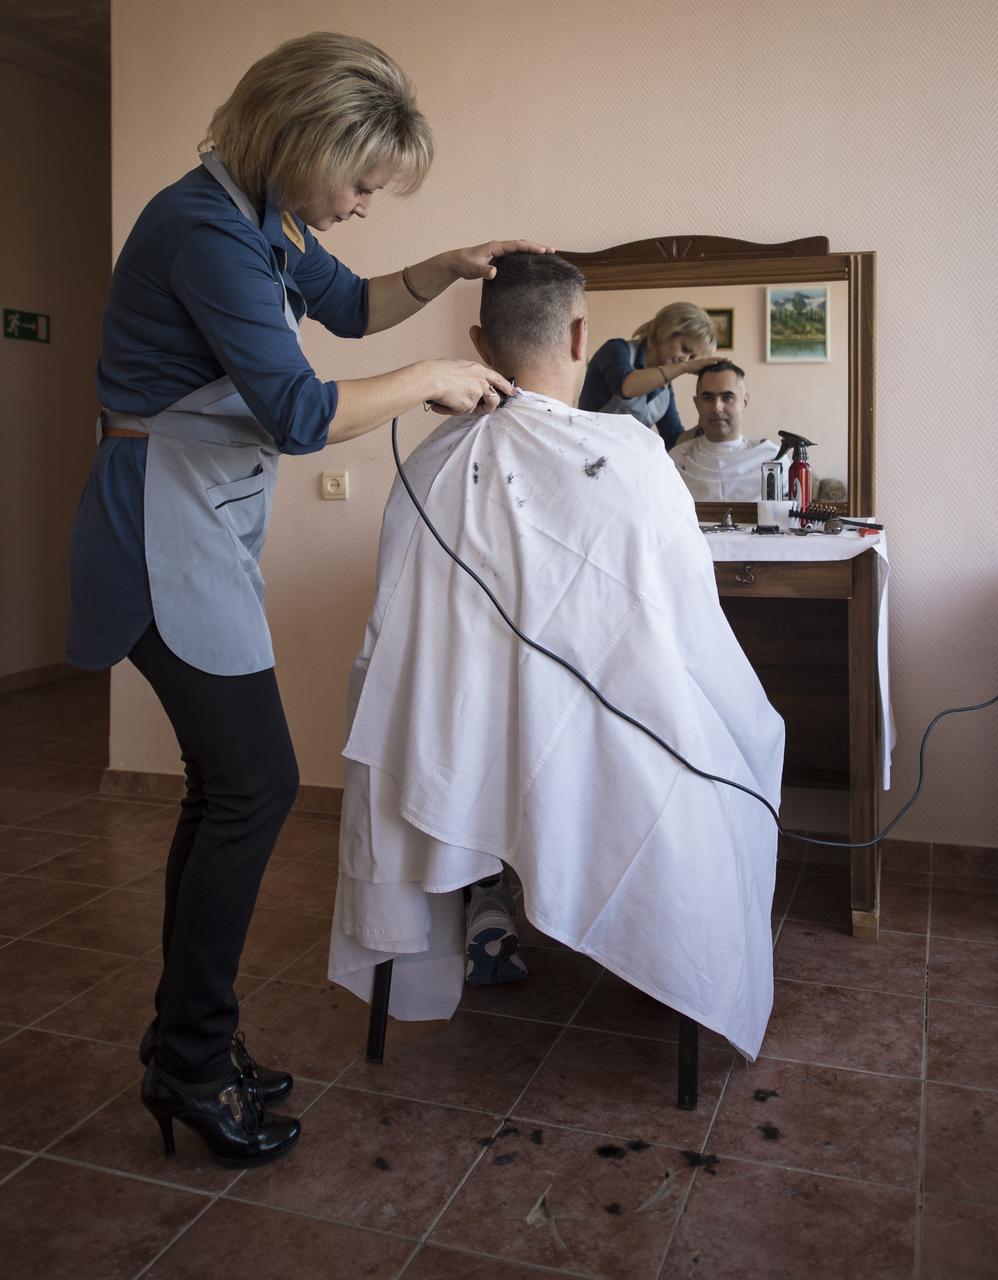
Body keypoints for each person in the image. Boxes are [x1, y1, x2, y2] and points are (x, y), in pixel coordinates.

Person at [65, 31, 552, 1169]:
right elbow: (296, 412)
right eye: (361, 180)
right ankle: (189, 1058)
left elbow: (347, 308)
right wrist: (434, 375)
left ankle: (186, 1045)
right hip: (155, 526)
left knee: (227, 785)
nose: (365, 203)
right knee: (256, 782)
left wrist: (445, 267)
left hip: (197, 515)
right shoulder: (203, 229)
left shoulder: (263, 219)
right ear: (298, 142)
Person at [328, 254, 784, 1061]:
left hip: (457, 751)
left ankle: (483, 899)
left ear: (477, 339)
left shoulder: (427, 466)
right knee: (745, 735)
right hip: (609, 759)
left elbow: (386, 647)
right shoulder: (635, 458)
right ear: (582, 335)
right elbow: (691, 637)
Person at [578, 300, 718, 449]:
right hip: (585, 448)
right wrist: (685, 367)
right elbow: (627, 387)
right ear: (667, 330)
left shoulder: (665, 391)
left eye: (692, 357)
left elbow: (673, 438)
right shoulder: (616, 349)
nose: (686, 359)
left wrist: (704, 426)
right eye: (685, 349)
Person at [670, 360, 785, 501]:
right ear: (697, 403)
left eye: (727, 397)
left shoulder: (772, 459)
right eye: (708, 398)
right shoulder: (676, 460)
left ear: (745, 402)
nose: (717, 407)